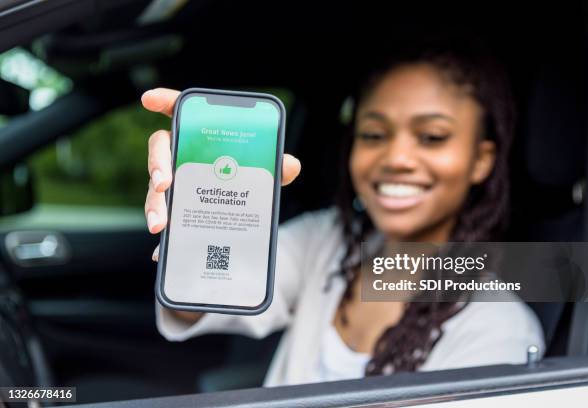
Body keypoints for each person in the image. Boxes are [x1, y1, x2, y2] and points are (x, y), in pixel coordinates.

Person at [142, 46, 544, 387]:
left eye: (432, 137)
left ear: (481, 159)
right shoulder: (323, 241)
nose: (396, 159)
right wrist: (203, 209)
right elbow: (200, 297)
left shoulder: (498, 329)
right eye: (373, 134)